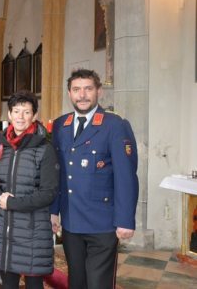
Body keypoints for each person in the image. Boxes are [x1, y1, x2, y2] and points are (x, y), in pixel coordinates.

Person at [50, 69, 139, 289]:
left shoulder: (114, 125)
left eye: (88, 89)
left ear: (98, 91)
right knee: (77, 282)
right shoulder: (61, 125)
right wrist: (53, 210)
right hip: (71, 222)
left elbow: (126, 176)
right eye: (76, 90)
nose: (82, 95)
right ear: (69, 93)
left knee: (98, 283)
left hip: (103, 223)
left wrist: (125, 219)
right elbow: (57, 172)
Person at [0, 90, 59, 289]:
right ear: (9, 115)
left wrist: (11, 203)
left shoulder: (44, 148)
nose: (20, 117)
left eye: (26, 112)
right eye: (16, 111)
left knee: (34, 284)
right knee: (8, 284)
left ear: (34, 116)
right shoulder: (0, 145)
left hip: (32, 229)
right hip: (4, 229)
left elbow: (48, 193)